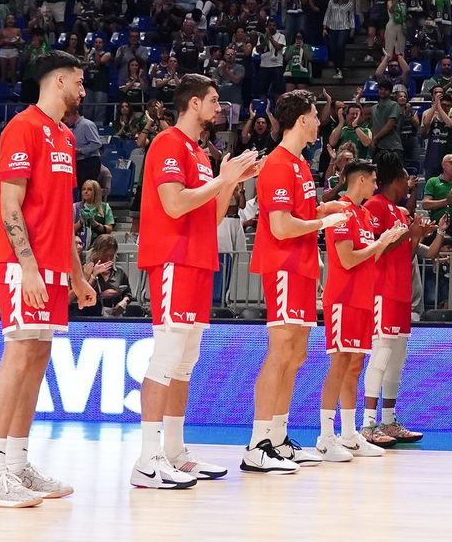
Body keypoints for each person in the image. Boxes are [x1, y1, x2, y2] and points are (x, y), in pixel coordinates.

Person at [0, 51, 97, 508]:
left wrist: (78, 275)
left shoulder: (64, 136)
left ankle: (17, 462)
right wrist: (26, 267)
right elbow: (9, 206)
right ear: (58, 79)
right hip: (22, 264)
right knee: (20, 353)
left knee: (38, 356)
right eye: (79, 80)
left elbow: (62, 215)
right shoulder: (22, 127)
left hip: (53, 266)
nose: (83, 89)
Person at [136, 74, 262, 489]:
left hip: (198, 260)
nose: (219, 107)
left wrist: (229, 182)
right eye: (213, 100)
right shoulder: (168, 143)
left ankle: (174, 451)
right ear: (193, 104)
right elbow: (173, 205)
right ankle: (147, 459)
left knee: (185, 362)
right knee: (166, 357)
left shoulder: (203, 155)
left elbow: (210, 213)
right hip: (173, 257)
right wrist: (222, 181)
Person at [245, 89, 350, 473]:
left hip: (304, 265)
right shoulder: (276, 163)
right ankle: (257, 443)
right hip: (285, 264)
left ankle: (277, 437)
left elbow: (299, 212)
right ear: (302, 119)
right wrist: (324, 223)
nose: (320, 122)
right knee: (281, 351)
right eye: (315, 116)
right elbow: (281, 224)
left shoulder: (301, 164)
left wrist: (325, 207)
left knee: (297, 355)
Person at [320, 159, 406, 455]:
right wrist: (380, 242)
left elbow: (369, 255)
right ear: (359, 181)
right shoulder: (341, 212)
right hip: (343, 297)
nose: (375, 186)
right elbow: (348, 259)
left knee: (354, 365)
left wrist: (388, 239)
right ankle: (325, 437)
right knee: (340, 364)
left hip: (362, 298)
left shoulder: (364, 215)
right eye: (372, 180)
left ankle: (348, 433)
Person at [361, 157, 435, 446]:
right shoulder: (376, 206)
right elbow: (374, 250)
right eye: (406, 180)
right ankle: (368, 424)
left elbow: (404, 255)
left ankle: (388, 421)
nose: (409, 185)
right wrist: (408, 234)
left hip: (401, 292)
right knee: (380, 356)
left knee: (397, 360)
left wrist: (415, 237)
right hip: (382, 291)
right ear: (394, 180)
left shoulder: (398, 212)